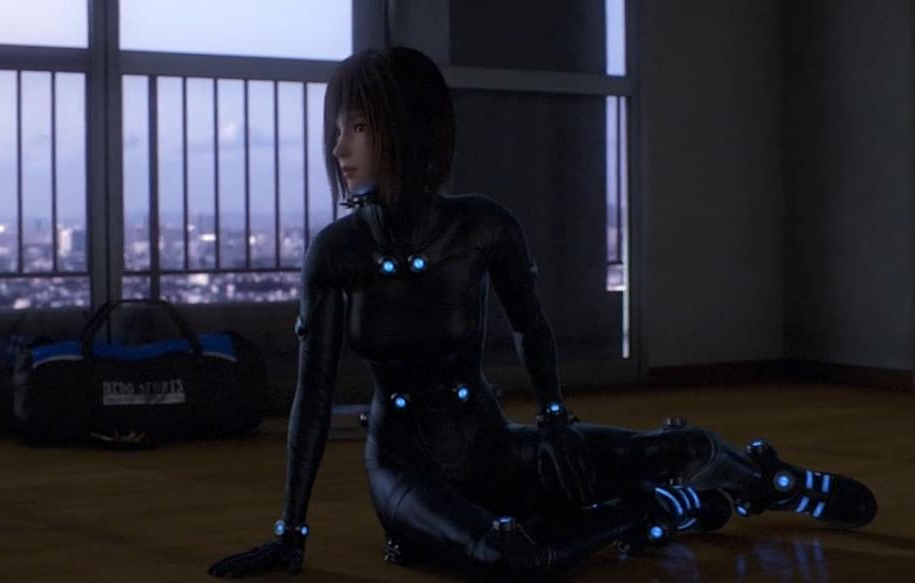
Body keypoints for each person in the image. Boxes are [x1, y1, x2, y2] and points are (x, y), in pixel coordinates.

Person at [208, 46, 877, 581]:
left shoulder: (483, 226)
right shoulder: (337, 252)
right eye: (336, 129)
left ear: (407, 128)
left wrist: (556, 420)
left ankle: (772, 481)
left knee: (682, 447)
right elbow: (313, 396)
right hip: (404, 471)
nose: (338, 147)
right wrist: (290, 530)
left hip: (490, 447)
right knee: (514, 556)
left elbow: (531, 326)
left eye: (356, 127)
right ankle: (658, 509)